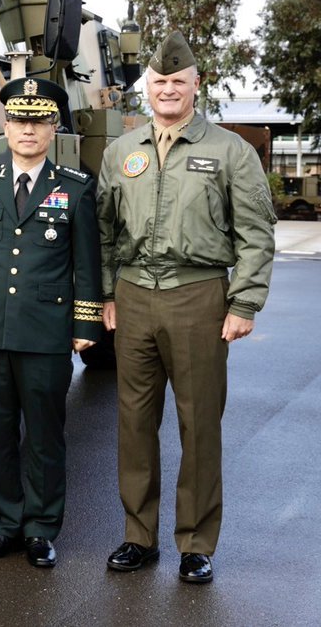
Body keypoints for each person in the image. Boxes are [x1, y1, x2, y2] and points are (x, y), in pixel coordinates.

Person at [98, 30, 276, 584]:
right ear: (145, 88)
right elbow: (103, 230)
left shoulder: (229, 151)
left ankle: (196, 542)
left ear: (197, 85)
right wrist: (106, 292)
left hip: (199, 295)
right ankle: (138, 535)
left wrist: (243, 302)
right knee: (133, 421)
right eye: (159, 82)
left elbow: (256, 233)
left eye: (178, 81)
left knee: (198, 423)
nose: (168, 89)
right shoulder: (121, 151)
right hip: (132, 296)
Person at [0, 77, 103, 570]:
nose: (28, 130)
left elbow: (87, 263)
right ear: (6, 126)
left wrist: (86, 325)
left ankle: (40, 528)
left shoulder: (75, 189)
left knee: (43, 434)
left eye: (38, 121)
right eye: (19, 121)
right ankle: (3, 525)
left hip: (46, 331)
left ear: (53, 127)